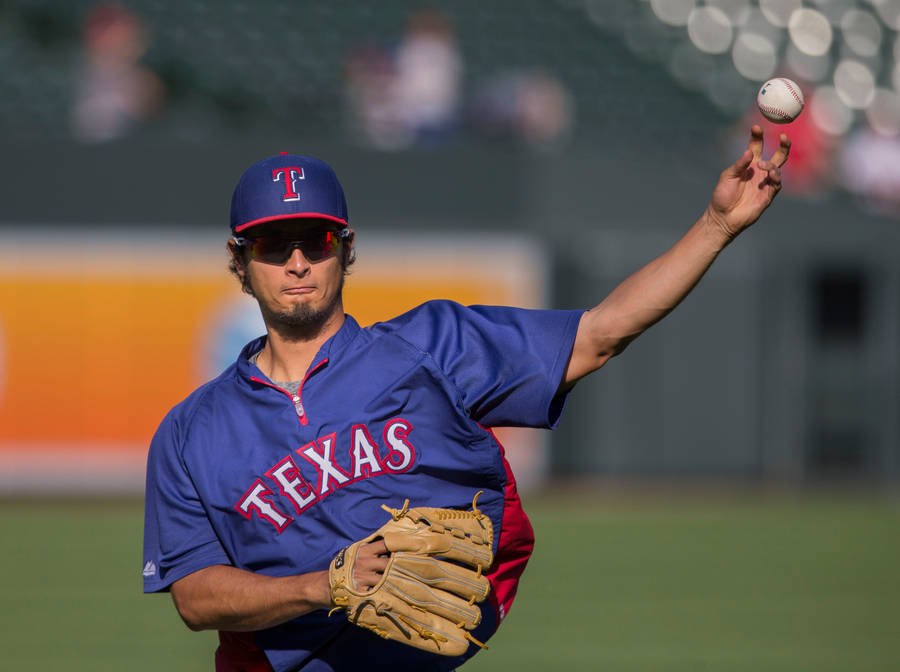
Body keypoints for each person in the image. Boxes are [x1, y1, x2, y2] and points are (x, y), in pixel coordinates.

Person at [143, 127, 791, 671]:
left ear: (346, 249)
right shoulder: (190, 432)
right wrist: (323, 586)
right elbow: (196, 599)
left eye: (316, 240)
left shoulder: (432, 347)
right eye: (270, 244)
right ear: (238, 261)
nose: (296, 262)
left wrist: (716, 226)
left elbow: (600, 334)